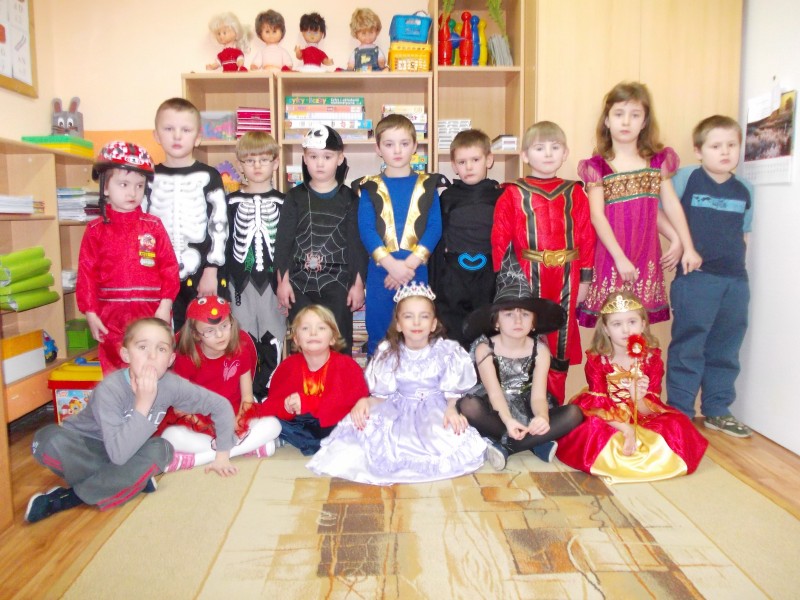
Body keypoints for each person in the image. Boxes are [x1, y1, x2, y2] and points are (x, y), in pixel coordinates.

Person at [26, 318, 238, 523]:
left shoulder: (171, 385)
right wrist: (143, 404)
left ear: (170, 360)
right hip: (89, 447)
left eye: (161, 349)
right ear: (126, 354)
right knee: (47, 440)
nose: (152, 356)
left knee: (162, 449)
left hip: (129, 452)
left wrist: (222, 455)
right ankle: (130, 480)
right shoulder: (110, 389)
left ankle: (70, 498)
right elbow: (118, 454)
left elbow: (220, 405)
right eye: (142, 347)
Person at [306, 282, 487, 485]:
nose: (416, 323)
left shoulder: (446, 352)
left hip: (435, 410)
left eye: (424, 316)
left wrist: (452, 409)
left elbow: (452, 392)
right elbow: (381, 396)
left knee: (448, 437)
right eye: (408, 316)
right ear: (398, 324)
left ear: (433, 324)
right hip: (399, 409)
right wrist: (365, 402)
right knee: (368, 434)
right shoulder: (389, 353)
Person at [576, 81, 702, 327]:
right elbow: (597, 216)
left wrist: (683, 243)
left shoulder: (656, 162)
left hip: (645, 255)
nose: (626, 122)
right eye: (619, 114)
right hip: (611, 255)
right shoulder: (597, 167)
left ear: (644, 122)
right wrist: (620, 258)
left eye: (635, 115)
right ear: (607, 120)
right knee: (611, 325)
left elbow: (664, 206)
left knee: (638, 326)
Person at [555, 291, 709, 484]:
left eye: (632, 322)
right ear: (606, 329)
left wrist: (638, 398)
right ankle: (615, 459)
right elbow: (597, 404)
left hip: (642, 413)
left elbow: (650, 408)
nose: (626, 330)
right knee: (591, 430)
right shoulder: (598, 360)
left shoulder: (651, 359)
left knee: (677, 425)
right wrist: (626, 430)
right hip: (607, 414)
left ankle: (649, 460)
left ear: (643, 324)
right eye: (617, 324)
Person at [492, 121, 596, 404]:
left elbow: (586, 236)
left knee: (560, 342)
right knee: (526, 337)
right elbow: (500, 240)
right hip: (527, 277)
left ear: (565, 153)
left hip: (567, 277)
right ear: (525, 155)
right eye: (539, 148)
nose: (548, 154)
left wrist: (585, 280)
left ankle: (554, 407)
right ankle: (524, 406)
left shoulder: (575, 193)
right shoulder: (512, 193)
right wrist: (507, 287)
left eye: (555, 147)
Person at [666, 115, 754, 438]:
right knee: (688, 347)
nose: (725, 152)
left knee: (726, 347)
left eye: (732, 145)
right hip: (696, 279)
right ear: (698, 150)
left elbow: (744, 233)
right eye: (716, 146)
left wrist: (740, 272)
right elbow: (662, 209)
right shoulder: (686, 178)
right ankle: (680, 412)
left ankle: (717, 409)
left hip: (735, 281)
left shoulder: (745, 189)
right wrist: (678, 242)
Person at [459, 249, 584, 470]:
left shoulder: (540, 350)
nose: (518, 321)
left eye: (525, 314)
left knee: (574, 413)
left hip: (527, 405)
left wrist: (542, 418)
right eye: (509, 314)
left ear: (534, 323)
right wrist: (508, 421)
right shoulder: (484, 349)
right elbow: (494, 394)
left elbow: (538, 396)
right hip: (496, 409)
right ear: (496, 322)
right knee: (468, 406)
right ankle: (534, 443)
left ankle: (508, 446)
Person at [77, 141, 179, 374]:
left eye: (139, 186)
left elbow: (169, 268)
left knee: (151, 368)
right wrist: (90, 313)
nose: (132, 193)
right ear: (105, 187)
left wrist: (165, 306)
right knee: (115, 375)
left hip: (150, 312)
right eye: (123, 184)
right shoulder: (95, 230)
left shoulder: (153, 226)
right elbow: (86, 274)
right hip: (110, 316)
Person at [157, 296, 282, 470]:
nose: (220, 334)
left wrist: (236, 424)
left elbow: (247, 397)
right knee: (171, 437)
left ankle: (200, 458)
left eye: (224, 326)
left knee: (274, 425)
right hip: (199, 421)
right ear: (195, 334)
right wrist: (211, 428)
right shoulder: (186, 359)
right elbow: (180, 408)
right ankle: (245, 448)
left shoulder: (241, 350)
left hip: (234, 417)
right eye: (209, 331)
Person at [356, 114, 444, 355]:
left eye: (404, 143)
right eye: (389, 144)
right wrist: (391, 266)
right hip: (380, 273)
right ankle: (378, 379)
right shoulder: (369, 186)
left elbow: (434, 228)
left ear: (415, 146)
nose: (397, 150)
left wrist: (408, 266)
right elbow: (366, 229)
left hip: (416, 270)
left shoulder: (428, 185)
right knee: (379, 334)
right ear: (378, 148)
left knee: (416, 334)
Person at [274, 126, 367, 354]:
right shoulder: (294, 197)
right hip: (299, 282)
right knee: (303, 342)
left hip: (339, 283)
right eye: (313, 156)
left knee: (339, 341)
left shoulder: (350, 199)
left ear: (340, 158)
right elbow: (283, 243)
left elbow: (356, 245)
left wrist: (358, 285)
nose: (320, 163)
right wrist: (282, 283)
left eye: (327, 157)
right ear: (304, 159)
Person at [146, 97, 228, 331]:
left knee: (203, 334)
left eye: (185, 130)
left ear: (197, 137)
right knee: (160, 333)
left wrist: (212, 270)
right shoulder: (148, 176)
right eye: (168, 129)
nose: (177, 136)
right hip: (156, 275)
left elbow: (219, 224)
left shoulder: (210, 176)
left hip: (201, 274)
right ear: (156, 135)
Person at [260, 305, 369, 455]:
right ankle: (281, 437)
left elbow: (353, 402)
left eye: (321, 328)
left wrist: (309, 403)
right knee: (271, 421)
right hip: (301, 425)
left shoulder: (347, 365)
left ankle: (296, 440)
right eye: (305, 328)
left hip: (337, 423)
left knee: (362, 421)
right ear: (296, 339)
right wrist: (286, 407)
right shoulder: (287, 367)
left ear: (332, 338)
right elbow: (271, 405)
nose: (313, 333)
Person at [430, 129, 503, 349]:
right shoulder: (447, 197)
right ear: (454, 166)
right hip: (454, 276)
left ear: (489, 160)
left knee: (487, 333)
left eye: (475, 160)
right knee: (452, 333)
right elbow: (438, 239)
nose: (469, 167)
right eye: (462, 162)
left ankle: (485, 371)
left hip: (489, 275)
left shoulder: (500, 196)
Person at [225, 131, 287, 392]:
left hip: (275, 286)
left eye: (264, 160)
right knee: (243, 340)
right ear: (240, 165)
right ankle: (245, 396)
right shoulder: (229, 203)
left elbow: (290, 248)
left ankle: (270, 394)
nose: (257, 166)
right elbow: (221, 245)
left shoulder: (286, 203)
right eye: (250, 161)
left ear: (275, 163)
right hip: (239, 285)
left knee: (274, 338)